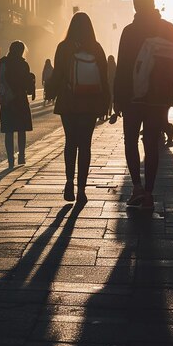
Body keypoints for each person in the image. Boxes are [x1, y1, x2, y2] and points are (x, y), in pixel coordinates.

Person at [114, 0, 173, 210]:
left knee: (130, 140)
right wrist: (168, 81)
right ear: (154, 4)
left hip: (132, 97)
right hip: (158, 98)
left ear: (135, 7)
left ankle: (136, 187)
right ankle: (148, 193)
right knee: (151, 144)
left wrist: (117, 99)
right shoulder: (168, 29)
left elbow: (122, 68)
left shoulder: (129, 31)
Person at [46, 12, 109, 205]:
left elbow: (57, 74)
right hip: (89, 102)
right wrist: (106, 103)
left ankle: (69, 182)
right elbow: (104, 77)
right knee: (85, 145)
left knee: (70, 142)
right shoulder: (96, 48)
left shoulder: (63, 47)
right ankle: (82, 189)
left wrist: (50, 92)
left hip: (68, 101)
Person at [0, 41, 34, 169]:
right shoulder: (23, 64)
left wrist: (1, 95)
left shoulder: (2, 63)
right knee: (21, 129)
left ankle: (10, 159)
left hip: (7, 99)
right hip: (20, 99)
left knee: (9, 130)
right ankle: (21, 156)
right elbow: (27, 84)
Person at [107, 55, 117, 119]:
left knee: (108, 97)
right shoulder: (114, 66)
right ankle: (111, 110)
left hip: (108, 84)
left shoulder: (107, 66)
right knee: (112, 97)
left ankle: (109, 110)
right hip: (113, 84)